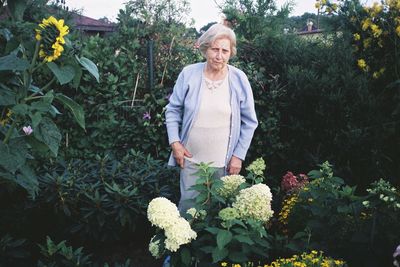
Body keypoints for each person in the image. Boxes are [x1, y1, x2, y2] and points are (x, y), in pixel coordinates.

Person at [165, 23, 258, 212]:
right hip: (190, 162)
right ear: (205, 49)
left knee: (219, 215)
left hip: (224, 165)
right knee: (188, 213)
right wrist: (175, 143)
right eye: (215, 49)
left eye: (225, 50)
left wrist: (238, 156)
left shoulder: (239, 79)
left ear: (231, 53)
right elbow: (173, 110)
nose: (219, 56)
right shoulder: (189, 74)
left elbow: (250, 122)